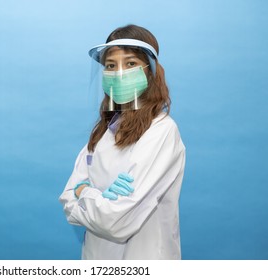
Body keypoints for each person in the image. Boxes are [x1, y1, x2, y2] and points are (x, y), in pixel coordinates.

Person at [59, 24, 186, 260]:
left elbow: (115, 222)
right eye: (110, 65)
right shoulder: (103, 131)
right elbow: (67, 198)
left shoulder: (161, 131)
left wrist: (85, 191)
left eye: (130, 64)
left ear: (150, 71)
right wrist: (98, 199)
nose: (118, 73)